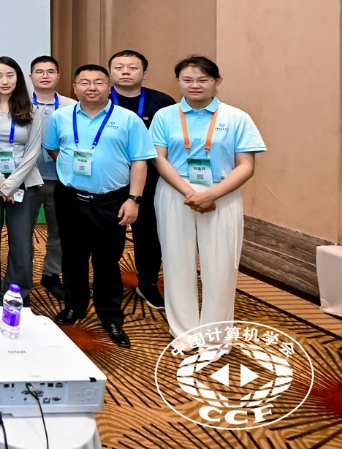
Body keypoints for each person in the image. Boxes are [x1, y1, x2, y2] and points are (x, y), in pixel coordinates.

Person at [151, 56, 265, 352]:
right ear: (178, 82)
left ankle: (215, 336)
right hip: (175, 191)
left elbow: (246, 166)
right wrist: (190, 192)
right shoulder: (165, 116)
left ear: (217, 81)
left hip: (222, 193)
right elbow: (159, 160)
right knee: (177, 261)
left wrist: (212, 194)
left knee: (221, 265)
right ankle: (184, 331)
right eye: (187, 80)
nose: (195, 85)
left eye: (203, 80)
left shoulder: (237, 117)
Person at [43, 64, 155, 349]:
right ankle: (75, 305)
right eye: (84, 82)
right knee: (73, 257)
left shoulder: (128, 119)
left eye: (98, 82)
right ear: (74, 87)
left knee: (107, 260)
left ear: (109, 87)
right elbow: (53, 148)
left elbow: (140, 160)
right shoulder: (60, 117)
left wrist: (134, 199)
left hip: (111, 200)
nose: (91, 87)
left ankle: (110, 315)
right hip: (70, 197)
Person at [108, 49, 176, 311]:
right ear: (110, 72)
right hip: (110, 179)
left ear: (144, 73)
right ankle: (107, 282)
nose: (125, 72)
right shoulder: (101, 99)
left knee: (149, 235)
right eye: (119, 67)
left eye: (132, 67)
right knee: (108, 236)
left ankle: (147, 282)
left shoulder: (163, 102)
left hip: (151, 180)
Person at [0, 57, 44, 306]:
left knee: (21, 242)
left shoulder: (32, 110)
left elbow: (33, 151)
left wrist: (12, 183)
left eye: (10, 75)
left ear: (18, 78)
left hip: (24, 182)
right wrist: (0, 182)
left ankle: (17, 295)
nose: (5, 81)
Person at [28, 55, 73, 300]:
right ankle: (22, 274)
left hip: (60, 180)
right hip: (27, 178)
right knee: (23, 231)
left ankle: (51, 274)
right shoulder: (20, 103)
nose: (45, 76)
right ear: (30, 76)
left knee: (59, 231)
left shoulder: (71, 106)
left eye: (50, 71)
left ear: (58, 76)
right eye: (39, 71)